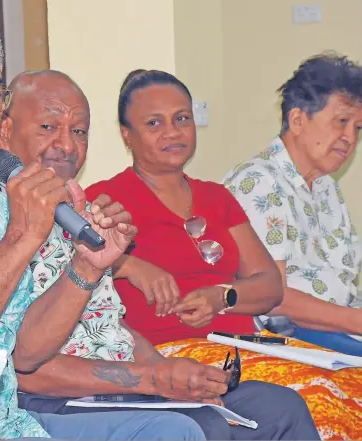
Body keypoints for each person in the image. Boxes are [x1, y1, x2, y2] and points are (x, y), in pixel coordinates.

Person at [0, 8, 206, 441]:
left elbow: (27, 354)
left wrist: (86, 268)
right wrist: (19, 240)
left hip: (12, 427)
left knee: (172, 431)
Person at [0, 69, 320, 440]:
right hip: (57, 397)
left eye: (78, 131)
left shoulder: (76, 211)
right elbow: (22, 366)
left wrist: (174, 373)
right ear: (4, 131)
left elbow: (112, 325)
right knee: (201, 426)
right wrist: (155, 378)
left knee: (280, 409)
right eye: (49, 127)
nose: (67, 145)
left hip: (127, 379)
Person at [86, 69, 284, 345]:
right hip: (164, 362)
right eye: (154, 123)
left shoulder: (217, 197)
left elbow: (271, 286)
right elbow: (72, 264)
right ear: (127, 136)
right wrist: (129, 266)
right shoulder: (104, 199)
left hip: (245, 348)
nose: (172, 132)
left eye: (182, 119)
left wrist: (222, 297)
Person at [221, 53, 362, 356]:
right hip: (290, 339)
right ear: (298, 120)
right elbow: (274, 300)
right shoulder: (258, 183)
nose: (350, 138)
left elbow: (344, 282)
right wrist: (357, 322)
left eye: (358, 128)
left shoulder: (327, 188)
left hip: (341, 329)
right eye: (342, 122)